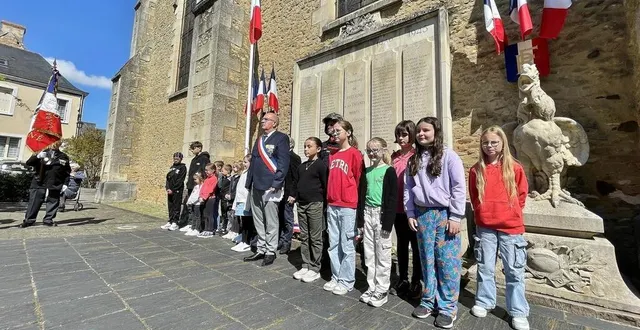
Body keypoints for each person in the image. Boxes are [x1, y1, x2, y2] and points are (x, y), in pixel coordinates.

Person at [404, 117, 466, 329]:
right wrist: (410, 212)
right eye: (419, 131)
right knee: (426, 259)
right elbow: (408, 188)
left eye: (426, 130)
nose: (421, 134)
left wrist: (456, 216)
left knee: (447, 262)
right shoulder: (413, 159)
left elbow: (458, 187)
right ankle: (428, 300)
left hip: (444, 214)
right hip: (422, 215)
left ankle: (448, 307)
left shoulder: (449, 156)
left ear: (435, 132)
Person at [469, 126, 530, 330]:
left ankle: (518, 311)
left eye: (494, 142)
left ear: (502, 143)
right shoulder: (476, 170)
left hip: (510, 226)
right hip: (485, 226)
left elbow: (521, 194)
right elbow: (474, 195)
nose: (490, 146)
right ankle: (485, 301)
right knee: (485, 267)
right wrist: (482, 211)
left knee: (514, 270)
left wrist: (511, 212)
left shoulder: (515, 168)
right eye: (486, 142)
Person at [323, 119, 365, 296]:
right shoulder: (332, 155)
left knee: (347, 245)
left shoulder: (355, 154)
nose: (334, 133)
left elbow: (358, 179)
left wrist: (350, 198)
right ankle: (336, 276)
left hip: (347, 205)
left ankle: (347, 280)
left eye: (338, 130)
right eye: (333, 131)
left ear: (348, 132)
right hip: (332, 204)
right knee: (333, 244)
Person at [244, 112, 291, 266]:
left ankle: (270, 250)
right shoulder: (259, 140)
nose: (263, 121)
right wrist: (248, 183)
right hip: (256, 185)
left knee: (271, 220)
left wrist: (277, 183)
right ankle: (261, 248)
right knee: (258, 219)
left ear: (275, 123)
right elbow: (253, 163)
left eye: (266, 119)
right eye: (263, 119)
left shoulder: (281, 138)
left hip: (270, 186)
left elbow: (283, 163)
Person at [359, 137, 397, 307]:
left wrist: (388, 223)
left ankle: (382, 288)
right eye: (369, 150)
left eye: (376, 150)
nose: (372, 153)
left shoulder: (389, 171)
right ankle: (372, 286)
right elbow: (361, 197)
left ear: (383, 150)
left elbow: (392, 198)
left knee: (382, 252)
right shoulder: (366, 171)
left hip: (381, 216)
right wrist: (360, 219)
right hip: (368, 213)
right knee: (369, 252)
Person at [390, 120, 422, 298]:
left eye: (404, 134)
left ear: (412, 134)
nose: (401, 138)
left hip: (414, 209)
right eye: (398, 134)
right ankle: (403, 279)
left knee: (416, 247)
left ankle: (417, 281)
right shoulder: (394, 157)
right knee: (402, 246)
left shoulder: (417, 155)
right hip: (397, 209)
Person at [291, 137, 327, 283]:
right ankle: (305, 264)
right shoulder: (302, 166)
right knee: (304, 236)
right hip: (302, 204)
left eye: (309, 146)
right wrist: (294, 195)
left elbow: (325, 184)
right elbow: (296, 182)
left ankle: (315, 267)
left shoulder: (321, 166)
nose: (306, 149)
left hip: (315, 204)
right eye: (305, 146)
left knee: (315, 237)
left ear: (318, 149)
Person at [21, 141, 71, 227]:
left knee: (53, 201)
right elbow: (29, 163)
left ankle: (48, 219)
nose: (54, 145)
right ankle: (29, 220)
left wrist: (65, 183)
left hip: (55, 182)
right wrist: (37, 156)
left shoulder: (63, 156)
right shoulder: (41, 152)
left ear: (59, 145)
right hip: (39, 181)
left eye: (57, 144)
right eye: (53, 143)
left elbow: (66, 171)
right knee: (34, 201)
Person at [318, 112, 343, 271]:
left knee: (339, 229)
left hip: (340, 194)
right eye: (328, 125)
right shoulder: (323, 146)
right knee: (325, 228)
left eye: (334, 124)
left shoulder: (347, 144)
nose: (331, 127)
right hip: (324, 193)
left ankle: (339, 262)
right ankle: (326, 261)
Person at [179, 141, 210, 228]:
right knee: (190, 205)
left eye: (193, 148)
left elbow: (203, 173)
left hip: (198, 186)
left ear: (199, 148)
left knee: (196, 206)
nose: (191, 151)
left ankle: (195, 225)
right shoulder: (194, 159)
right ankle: (189, 223)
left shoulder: (204, 159)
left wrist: (200, 184)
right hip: (191, 185)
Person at [279, 135, 301, 254]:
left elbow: (296, 178)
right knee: (280, 218)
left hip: (288, 194)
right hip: (279, 194)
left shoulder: (294, 158)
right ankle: (281, 240)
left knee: (288, 219)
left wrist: (293, 194)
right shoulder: (281, 157)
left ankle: (286, 243)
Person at [232, 154, 253, 252]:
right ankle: (243, 240)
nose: (243, 164)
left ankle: (247, 242)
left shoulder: (251, 173)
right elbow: (239, 189)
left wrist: (247, 204)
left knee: (247, 223)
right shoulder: (244, 172)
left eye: (246, 162)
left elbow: (248, 190)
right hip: (240, 201)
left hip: (246, 202)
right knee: (242, 222)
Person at [161, 152, 187, 231]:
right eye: (174, 158)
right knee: (170, 206)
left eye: (177, 158)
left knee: (176, 206)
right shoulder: (172, 167)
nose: (176, 160)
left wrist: (174, 189)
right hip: (170, 190)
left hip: (177, 190)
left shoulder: (182, 167)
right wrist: (168, 188)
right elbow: (167, 179)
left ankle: (175, 222)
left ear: (181, 159)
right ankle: (170, 220)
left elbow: (180, 180)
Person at [198, 163, 219, 238]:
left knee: (210, 215)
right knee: (205, 214)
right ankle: (205, 229)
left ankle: (210, 230)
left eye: (207, 170)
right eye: (205, 170)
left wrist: (204, 197)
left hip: (210, 199)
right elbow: (203, 189)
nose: (206, 172)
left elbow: (210, 190)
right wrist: (200, 196)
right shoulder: (206, 179)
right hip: (204, 199)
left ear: (213, 170)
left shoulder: (214, 179)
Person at [223, 161, 242, 240]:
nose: (234, 169)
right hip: (231, 199)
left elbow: (238, 189)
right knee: (230, 215)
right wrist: (228, 194)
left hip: (235, 198)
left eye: (235, 167)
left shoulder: (240, 177)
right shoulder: (233, 177)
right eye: (233, 167)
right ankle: (231, 230)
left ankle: (236, 231)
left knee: (236, 216)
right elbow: (230, 188)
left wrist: (232, 195)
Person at [185, 172, 204, 236]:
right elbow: (192, 194)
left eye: (196, 179)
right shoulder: (196, 186)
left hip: (198, 204)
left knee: (198, 217)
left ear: (200, 179)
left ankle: (197, 229)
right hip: (193, 204)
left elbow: (198, 195)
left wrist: (193, 201)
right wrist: (189, 201)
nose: (194, 180)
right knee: (193, 216)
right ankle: (193, 227)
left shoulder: (202, 186)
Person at [217, 164, 232, 235]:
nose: (221, 172)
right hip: (222, 198)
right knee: (223, 213)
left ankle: (226, 227)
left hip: (226, 198)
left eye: (223, 171)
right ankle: (223, 226)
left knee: (226, 213)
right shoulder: (223, 178)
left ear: (228, 171)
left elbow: (222, 186)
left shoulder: (230, 179)